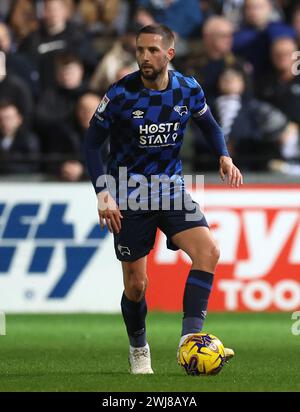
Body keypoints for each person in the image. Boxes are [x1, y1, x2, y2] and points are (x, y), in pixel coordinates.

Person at [85, 24, 243, 374]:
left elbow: (210, 125)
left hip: (171, 189)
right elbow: (91, 144)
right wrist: (103, 193)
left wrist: (223, 155)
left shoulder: (187, 88)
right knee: (137, 286)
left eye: (152, 51)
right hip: (130, 194)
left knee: (208, 251)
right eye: (140, 50)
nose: (144, 56)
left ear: (169, 54)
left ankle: (190, 341)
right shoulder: (121, 94)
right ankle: (139, 346)